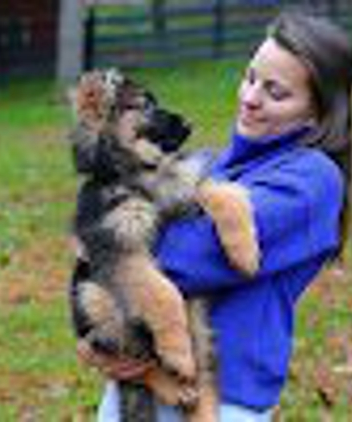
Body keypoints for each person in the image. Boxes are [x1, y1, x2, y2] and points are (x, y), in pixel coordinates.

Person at [77, 10, 352, 421]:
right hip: (142, 383)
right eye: (250, 77)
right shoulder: (215, 164)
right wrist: (94, 329)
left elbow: (184, 258)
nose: (250, 97)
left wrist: (107, 265)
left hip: (220, 398)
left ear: (318, 114)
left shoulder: (313, 181)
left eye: (275, 92)